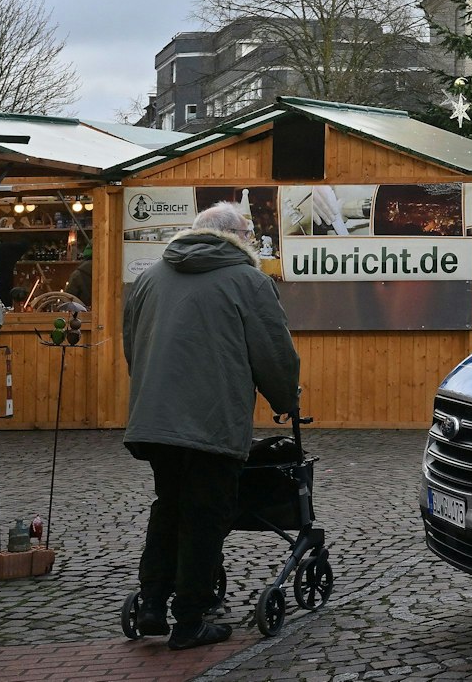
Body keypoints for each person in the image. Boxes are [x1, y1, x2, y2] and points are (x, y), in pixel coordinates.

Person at [123, 202, 301, 650]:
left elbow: (133, 349)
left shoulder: (148, 279)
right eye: (248, 232)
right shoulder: (249, 281)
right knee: (206, 514)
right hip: (211, 421)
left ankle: (151, 604)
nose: (251, 239)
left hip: (154, 420)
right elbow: (273, 354)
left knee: (169, 505)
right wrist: (286, 401)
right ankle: (189, 618)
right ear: (234, 235)